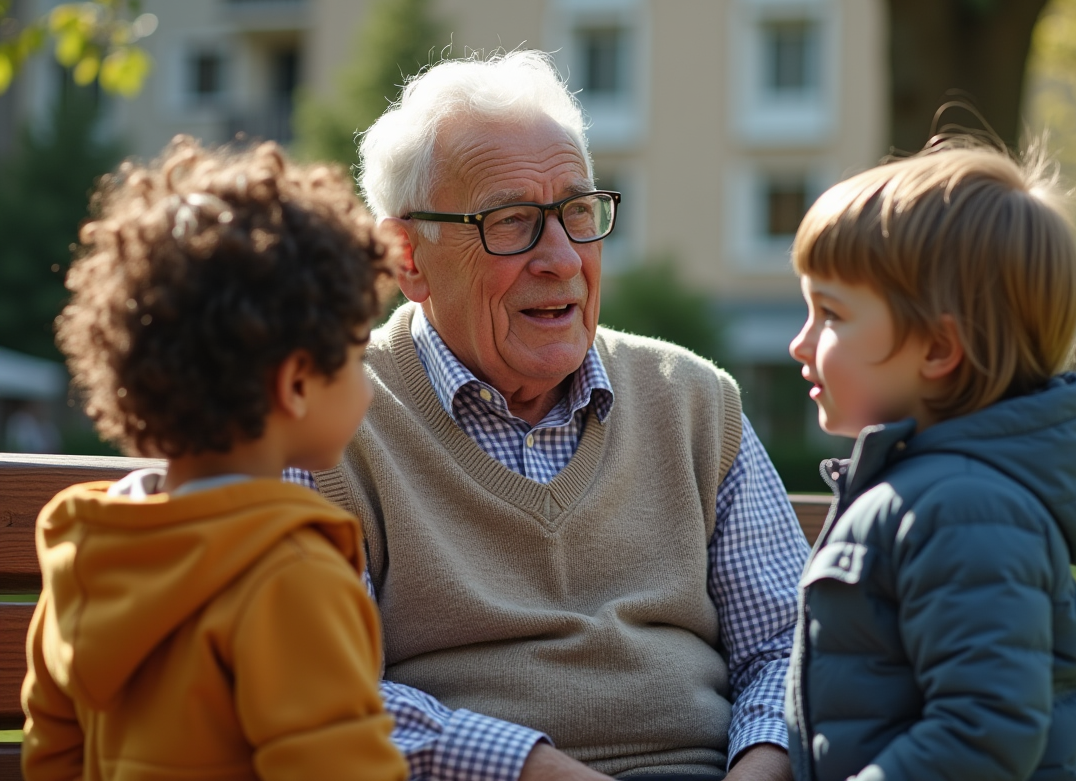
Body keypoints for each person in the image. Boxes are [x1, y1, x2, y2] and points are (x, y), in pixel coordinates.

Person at [287, 50, 808, 781]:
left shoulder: (693, 399)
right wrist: (535, 771)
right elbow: (319, 693)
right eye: (512, 223)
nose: (562, 258)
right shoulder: (330, 424)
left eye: (577, 212)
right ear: (407, 255)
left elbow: (789, 647)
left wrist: (759, 770)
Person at [21, 137, 410, 781]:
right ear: (296, 384)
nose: (367, 385)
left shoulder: (87, 552)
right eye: (358, 355)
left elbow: (52, 755)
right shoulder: (290, 572)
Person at [783, 140, 1076, 781]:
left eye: (830, 314)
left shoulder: (963, 507)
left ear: (939, 347)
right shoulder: (928, 490)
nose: (800, 342)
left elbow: (982, 734)